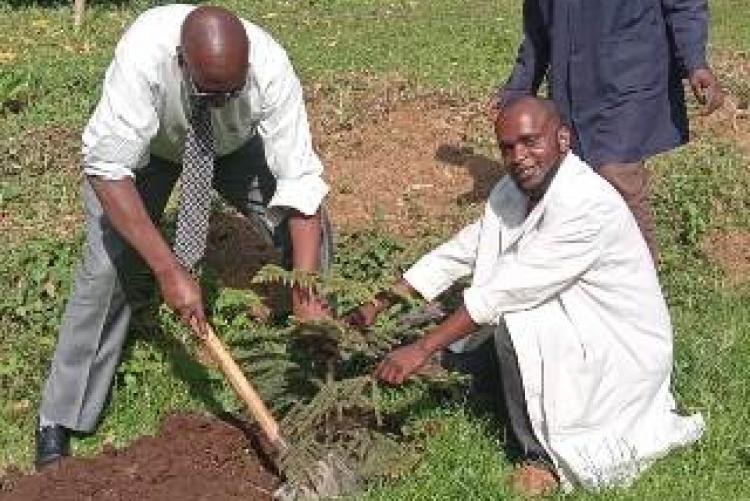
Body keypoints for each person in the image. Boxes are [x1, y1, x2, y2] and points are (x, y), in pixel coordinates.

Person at [347, 97, 704, 495]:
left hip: (617, 346)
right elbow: (465, 248)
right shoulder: (512, 190)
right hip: (567, 316)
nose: (519, 156)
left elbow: (503, 292)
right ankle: (495, 391)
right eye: (507, 147)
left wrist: (423, 348)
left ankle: (539, 459)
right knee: (464, 337)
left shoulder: (586, 204)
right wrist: (381, 301)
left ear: (563, 139)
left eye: (531, 142)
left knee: (515, 326)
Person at [35, 4, 333, 470]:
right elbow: (107, 170)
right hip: (147, 152)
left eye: (230, 92)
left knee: (312, 242)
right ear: (181, 60)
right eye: (209, 91)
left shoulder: (270, 68)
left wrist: (306, 284)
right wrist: (169, 270)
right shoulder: (143, 53)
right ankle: (60, 418)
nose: (219, 100)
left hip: (235, 149)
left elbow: (301, 185)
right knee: (105, 270)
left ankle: (310, 378)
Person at [490, 0, 724, 260]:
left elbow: (684, 3)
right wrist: (519, 89)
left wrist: (695, 62)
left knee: (616, 173)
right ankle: (586, 274)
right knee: (573, 181)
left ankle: (640, 280)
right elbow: (537, 29)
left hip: (630, 76)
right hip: (572, 87)